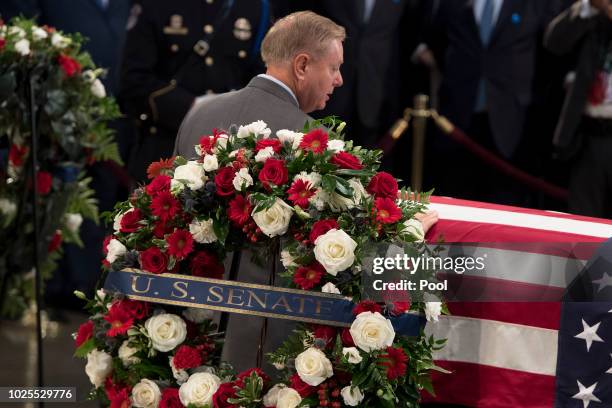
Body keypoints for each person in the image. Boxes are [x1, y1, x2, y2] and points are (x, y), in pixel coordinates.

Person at [415, 0, 562, 205]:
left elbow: (551, 50)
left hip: (513, 121)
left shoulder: (535, 4)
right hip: (458, 117)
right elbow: (438, 39)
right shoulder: (453, 4)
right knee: (458, 199)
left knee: (506, 204)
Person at [120, 0, 271, 183]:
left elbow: (263, 77)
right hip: (166, 147)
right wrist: (192, 106)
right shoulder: (156, 5)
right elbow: (134, 80)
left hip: (232, 158)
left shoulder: (255, 7)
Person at [544, 0, 612, 218]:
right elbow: (553, 41)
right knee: (584, 224)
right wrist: (591, 6)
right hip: (588, 138)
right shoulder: (594, 15)